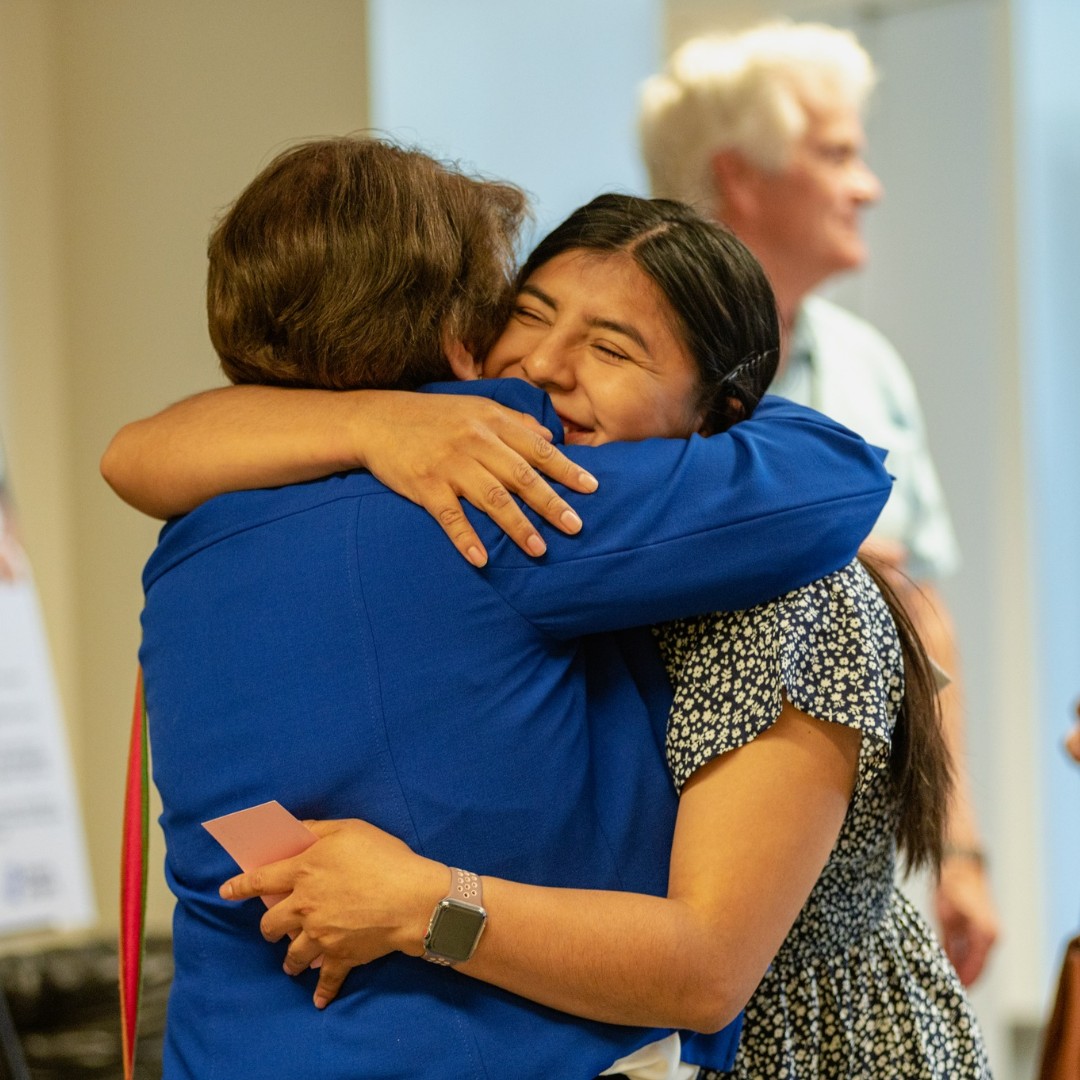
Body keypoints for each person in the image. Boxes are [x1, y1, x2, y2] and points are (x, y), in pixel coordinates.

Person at [114, 138, 892, 1080]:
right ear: (457, 338)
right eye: (520, 313)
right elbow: (841, 476)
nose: (541, 371)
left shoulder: (185, 544)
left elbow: (131, 454)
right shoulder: (505, 503)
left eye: (610, 346)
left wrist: (366, 420)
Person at [637, 19, 999, 987]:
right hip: (672, 893)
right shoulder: (629, 379)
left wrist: (957, 849)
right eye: (837, 153)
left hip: (849, 904)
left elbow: (918, 613)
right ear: (742, 178)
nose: (868, 186)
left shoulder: (863, 366)